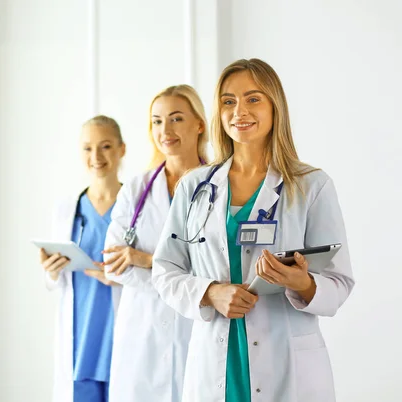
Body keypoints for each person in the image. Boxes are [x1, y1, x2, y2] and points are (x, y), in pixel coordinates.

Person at [152, 59, 354, 402]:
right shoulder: (195, 186)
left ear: (276, 106)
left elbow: (339, 282)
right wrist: (209, 293)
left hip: (286, 364)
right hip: (218, 362)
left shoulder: (311, 185)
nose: (239, 111)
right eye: (228, 101)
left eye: (253, 99)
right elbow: (164, 270)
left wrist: (301, 283)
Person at [103, 85, 209, 402]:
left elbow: (218, 265)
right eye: (157, 121)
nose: (166, 130)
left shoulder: (221, 184)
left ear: (199, 124)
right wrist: (180, 276)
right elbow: (113, 264)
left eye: (176, 119)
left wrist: (146, 260)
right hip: (142, 329)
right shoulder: (136, 189)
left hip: (198, 326)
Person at [41, 115, 125, 402]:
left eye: (105, 146)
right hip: (81, 341)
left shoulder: (137, 207)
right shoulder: (67, 209)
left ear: (121, 149)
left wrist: (119, 276)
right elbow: (55, 281)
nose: (96, 157)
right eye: (87, 148)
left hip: (121, 335)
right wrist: (51, 272)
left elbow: (156, 273)